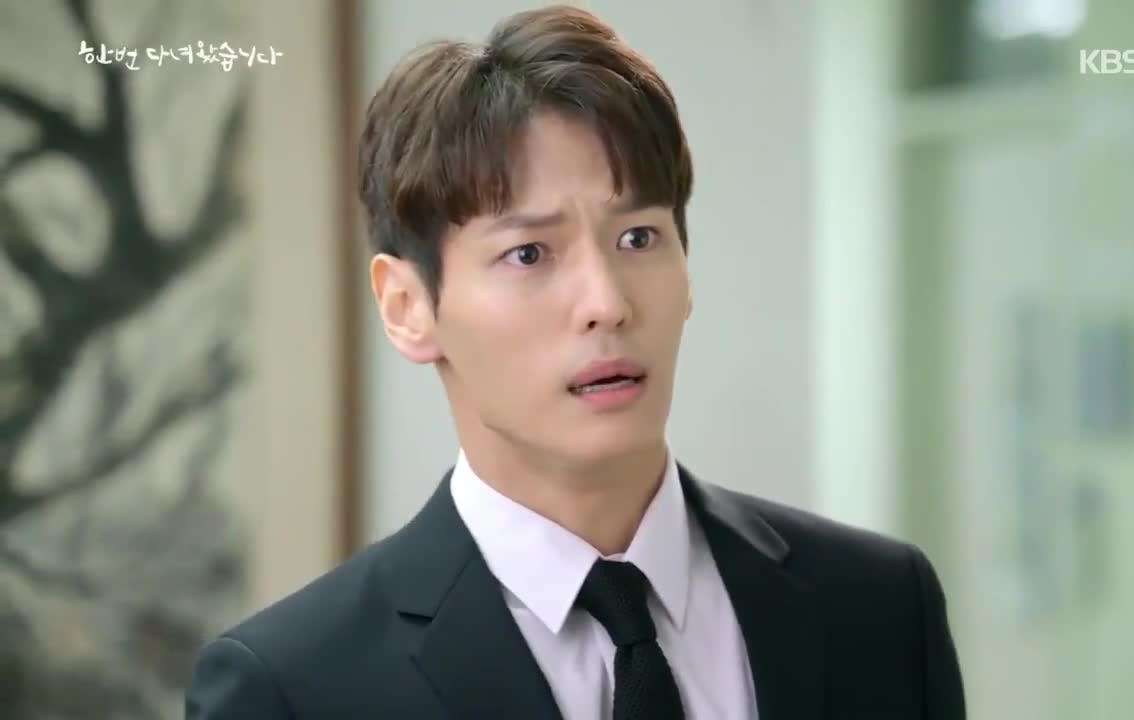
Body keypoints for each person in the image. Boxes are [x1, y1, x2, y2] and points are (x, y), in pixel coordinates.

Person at [185, 5, 965, 719]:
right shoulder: (294, 687)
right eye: (529, 253)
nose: (607, 302)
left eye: (638, 238)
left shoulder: (878, 605)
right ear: (408, 307)